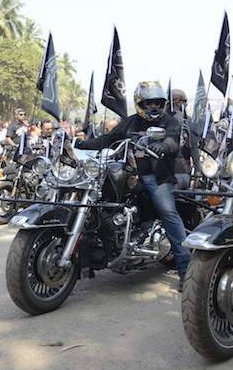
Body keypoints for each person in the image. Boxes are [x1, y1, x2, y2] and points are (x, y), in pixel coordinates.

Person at [75, 81, 191, 290]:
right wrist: (81, 144)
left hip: (157, 176)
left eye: (157, 103)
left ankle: (186, 271)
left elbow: (173, 143)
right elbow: (107, 139)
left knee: (168, 214)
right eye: (148, 104)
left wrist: (162, 145)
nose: (153, 107)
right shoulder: (130, 123)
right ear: (139, 104)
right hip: (132, 174)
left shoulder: (170, 122)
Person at [170, 89, 192, 189]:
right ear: (177, 101)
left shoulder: (160, 121)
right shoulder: (188, 121)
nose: (186, 104)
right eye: (185, 101)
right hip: (183, 171)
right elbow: (194, 147)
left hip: (168, 174)